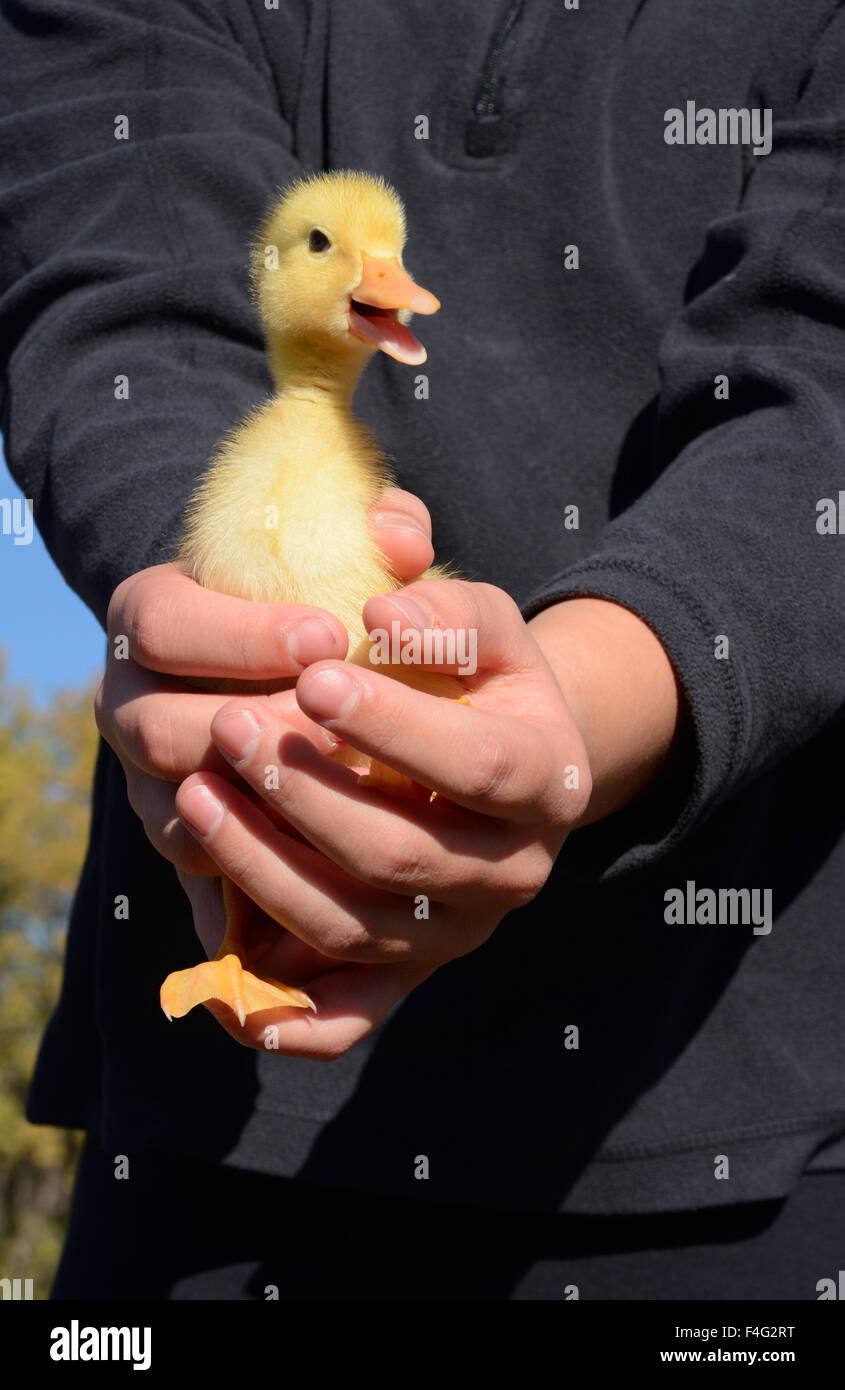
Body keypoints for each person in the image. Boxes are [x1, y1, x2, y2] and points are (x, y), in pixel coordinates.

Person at [2, 0, 844, 1300]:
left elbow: (822, 375)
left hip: (753, 1148)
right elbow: (126, 268)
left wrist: (574, 703)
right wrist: (216, 630)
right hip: (203, 1165)